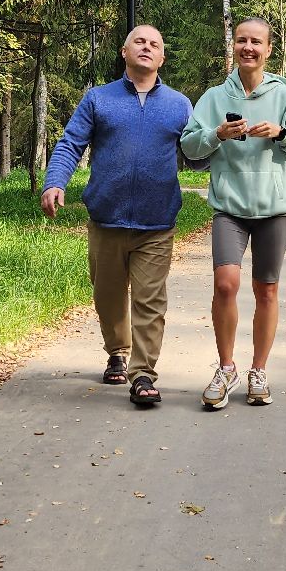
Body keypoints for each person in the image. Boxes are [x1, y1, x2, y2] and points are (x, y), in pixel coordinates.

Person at [42, 24, 193, 407]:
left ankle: (143, 375)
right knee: (107, 296)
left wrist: (225, 137)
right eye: (139, 42)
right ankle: (118, 352)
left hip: (157, 221)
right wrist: (54, 182)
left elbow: (200, 152)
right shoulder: (98, 99)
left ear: (162, 57)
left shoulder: (179, 104)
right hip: (106, 218)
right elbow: (70, 143)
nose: (146, 47)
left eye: (154, 44)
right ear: (124, 52)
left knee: (150, 299)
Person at [180, 17, 286, 409]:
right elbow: (190, 147)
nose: (248, 48)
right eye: (242, 41)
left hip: (274, 209)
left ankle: (259, 371)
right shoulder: (213, 98)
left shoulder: (285, 96)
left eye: (256, 42)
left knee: (266, 289)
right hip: (229, 207)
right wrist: (217, 135)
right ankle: (226, 369)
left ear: (269, 50)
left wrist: (282, 134)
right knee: (225, 284)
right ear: (234, 47)